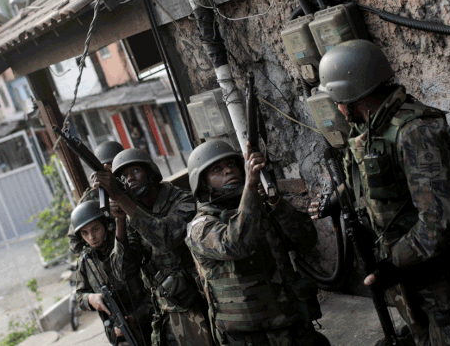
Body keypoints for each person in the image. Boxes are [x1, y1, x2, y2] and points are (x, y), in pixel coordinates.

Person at [308, 39, 450, 346]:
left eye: (335, 99)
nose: (337, 109)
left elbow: (441, 219)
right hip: (406, 275)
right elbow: (373, 183)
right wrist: (340, 197)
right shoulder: (368, 131)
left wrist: (394, 264)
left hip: (439, 277)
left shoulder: (416, 132)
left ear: (352, 95)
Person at [185, 140, 329, 346]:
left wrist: (275, 202)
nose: (228, 171)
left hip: (294, 326)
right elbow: (236, 244)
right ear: (202, 182)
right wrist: (251, 188)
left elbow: (306, 240)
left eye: (232, 165)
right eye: (217, 169)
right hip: (251, 338)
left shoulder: (256, 208)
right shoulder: (200, 227)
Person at [93, 148, 214, 346]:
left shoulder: (183, 200)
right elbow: (123, 271)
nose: (130, 179)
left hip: (198, 305)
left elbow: (164, 238)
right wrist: (120, 221)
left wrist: (123, 200)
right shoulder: (132, 212)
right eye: (123, 177)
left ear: (151, 172)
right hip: (164, 312)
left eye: (136, 172)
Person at [71, 199, 153, 345]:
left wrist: (136, 318)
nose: (91, 237)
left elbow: (150, 284)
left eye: (95, 229)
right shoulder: (86, 261)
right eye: (85, 233)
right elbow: (79, 295)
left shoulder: (123, 241)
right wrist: (91, 299)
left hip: (150, 321)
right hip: (120, 335)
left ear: (104, 224)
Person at [68, 141, 125, 255]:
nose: (110, 172)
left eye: (113, 167)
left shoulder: (134, 186)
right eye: (106, 168)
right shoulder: (91, 197)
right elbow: (74, 241)